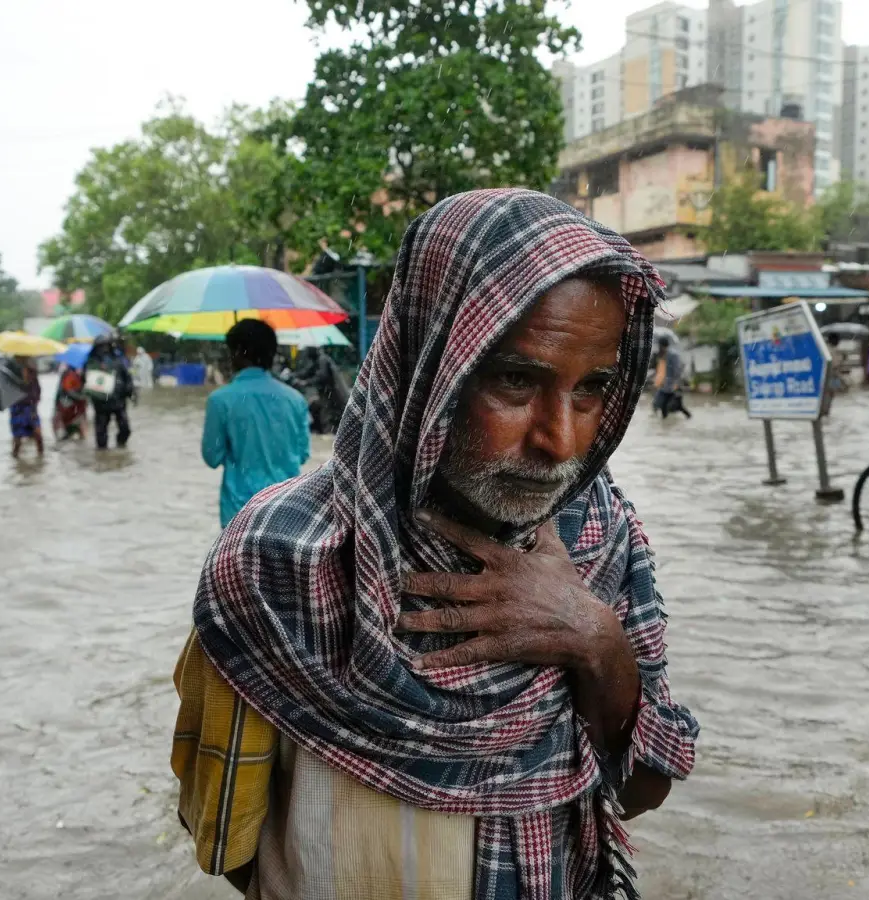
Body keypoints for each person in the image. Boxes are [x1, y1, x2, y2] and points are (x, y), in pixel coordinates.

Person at [171, 189, 698, 899]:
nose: (561, 441)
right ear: (429, 365)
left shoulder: (600, 538)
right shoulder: (273, 560)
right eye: (516, 381)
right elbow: (227, 833)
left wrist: (594, 641)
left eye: (593, 388)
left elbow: (641, 788)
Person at [201, 319, 311, 528]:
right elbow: (303, 454)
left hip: (239, 513)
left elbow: (212, 457)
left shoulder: (220, 400)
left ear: (239, 352)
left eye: (231, 350)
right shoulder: (295, 399)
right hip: (287, 509)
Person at [83, 336, 134, 449]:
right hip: (101, 403)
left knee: (125, 429)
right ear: (96, 348)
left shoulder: (118, 361)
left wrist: (130, 391)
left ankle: (120, 447)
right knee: (101, 435)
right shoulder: (90, 363)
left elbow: (128, 377)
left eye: (106, 345)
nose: (104, 349)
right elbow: (85, 381)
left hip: (119, 401)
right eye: (101, 346)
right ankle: (102, 457)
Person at [290, 347, 349, 434]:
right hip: (328, 394)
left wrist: (305, 382)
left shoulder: (323, 359)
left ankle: (327, 434)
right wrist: (293, 375)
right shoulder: (317, 360)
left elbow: (322, 376)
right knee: (320, 410)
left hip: (333, 394)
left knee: (327, 415)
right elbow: (307, 372)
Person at [9, 357, 43, 458]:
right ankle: (15, 456)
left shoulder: (33, 374)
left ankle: (41, 457)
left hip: (31, 408)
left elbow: (38, 392)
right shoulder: (13, 371)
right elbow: (9, 392)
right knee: (18, 439)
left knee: (38, 435)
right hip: (17, 408)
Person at [651, 332, 691, 419]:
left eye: (660, 345)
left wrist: (675, 384)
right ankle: (664, 421)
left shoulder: (673, 355)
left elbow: (677, 370)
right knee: (661, 404)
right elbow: (661, 370)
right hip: (665, 386)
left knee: (677, 406)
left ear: (662, 345)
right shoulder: (662, 355)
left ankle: (688, 417)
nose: (659, 347)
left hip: (672, 386)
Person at [52, 365, 87, 441]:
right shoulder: (70, 375)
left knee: (74, 424)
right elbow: (68, 390)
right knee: (73, 423)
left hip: (71, 404)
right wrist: (81, 397)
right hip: (68, 404)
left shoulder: (75, 375)